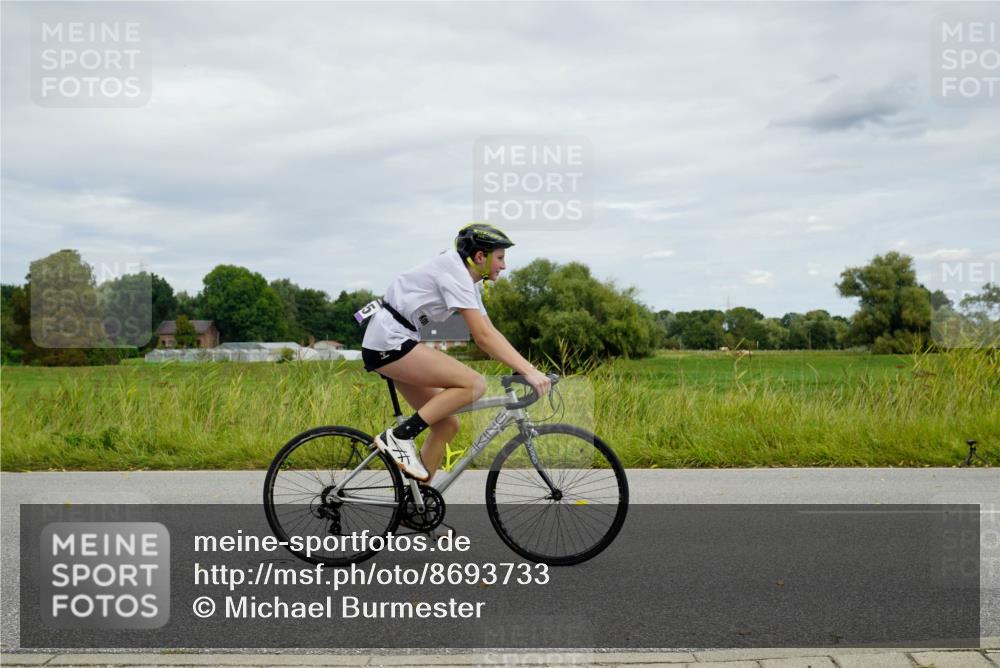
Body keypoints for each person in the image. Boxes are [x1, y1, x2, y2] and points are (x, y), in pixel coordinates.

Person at [360, 223, 551, 482]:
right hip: (390, 342)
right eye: (500, 258)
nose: (504, 265)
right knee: (474, 384)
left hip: (394, 341)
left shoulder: (467, 279)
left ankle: (417, 505)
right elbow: (482, 338)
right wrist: (530, 372)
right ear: (480, 257)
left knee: (446, 424)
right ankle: (399, 437)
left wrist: (527, 368)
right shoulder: (456, 274)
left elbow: (490, 331)